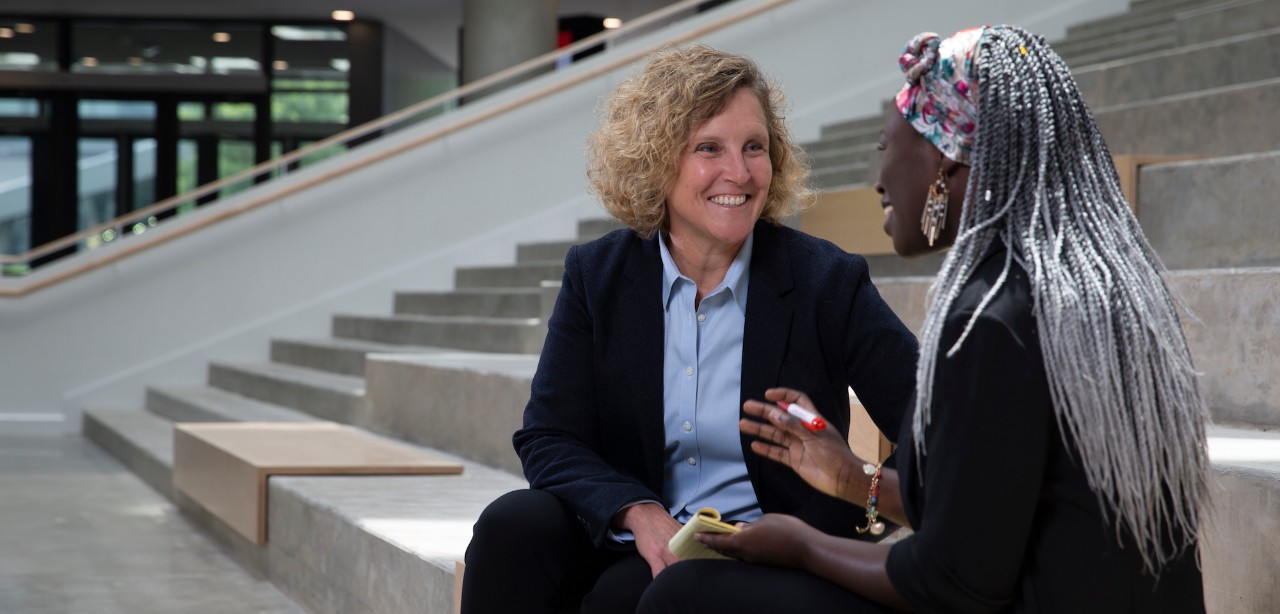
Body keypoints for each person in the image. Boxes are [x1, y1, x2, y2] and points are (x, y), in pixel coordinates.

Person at [637, 25, 1210, 613]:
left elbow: (956, 580)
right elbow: (988, 506)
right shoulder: (1084, 290)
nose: (880, 180)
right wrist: (847, 475)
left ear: (942, 156)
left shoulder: (989, 321)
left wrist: (801, 545)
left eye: (886, 147)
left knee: (682, 596)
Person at [460, 45, 919, 613]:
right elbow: (549, 437)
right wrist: (636, 510)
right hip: (641, 536)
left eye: (755, 147)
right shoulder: (597, 274)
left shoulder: (826, 281)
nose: (740, 172)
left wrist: (861, 507)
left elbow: (934, 421)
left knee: (623, 599)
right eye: (709, 148)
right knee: (512, 525)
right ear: (656, 161)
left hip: (766, 553)